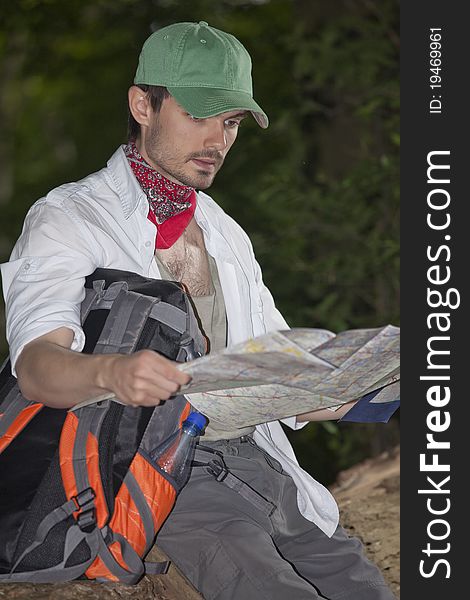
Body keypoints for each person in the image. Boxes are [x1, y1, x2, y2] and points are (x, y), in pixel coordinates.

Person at [0, 21, 397, 600]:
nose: (217, 139)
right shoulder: (70, 217)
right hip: (151, 470)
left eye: (230, 122)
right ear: (143, 105)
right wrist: (111, 372)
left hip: (256, 463)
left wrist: (361, 388)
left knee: (363, 587)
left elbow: (280, 364)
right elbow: (36, 368)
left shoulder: (225, 233)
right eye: (199, 115)